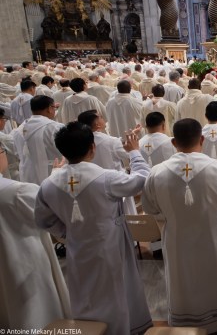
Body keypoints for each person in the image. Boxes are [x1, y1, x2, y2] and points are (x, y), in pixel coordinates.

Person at [35, 122, 153, 334]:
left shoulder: (49, 184)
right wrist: (135, 153)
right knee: (116, 290)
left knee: (85, 292)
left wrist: (68, 231)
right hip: (110, 243)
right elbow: (142, 180)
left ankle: (89, 328)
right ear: (92, 148)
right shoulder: (106, 178)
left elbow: (44, 220)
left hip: (77, 245)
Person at [142, 118, 217, 332]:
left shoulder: (156, 172)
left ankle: (185, 320)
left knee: (182, 278)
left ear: (173, 142)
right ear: (202, 139)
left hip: (176, 238)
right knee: (215, 275)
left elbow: (150, 208)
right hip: (213, 237)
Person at [0, 143, 71, 328]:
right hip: (25, 259)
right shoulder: (16, 191)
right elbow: (47, 207)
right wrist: (56, 176)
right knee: (36, 311)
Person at [13, 95, 64, 185]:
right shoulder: (55, 127)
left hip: (27, 176)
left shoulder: (17, 130)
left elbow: (17, 154)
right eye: (54, 107)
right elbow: (67, 152)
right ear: (49, 108)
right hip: (51, 174)